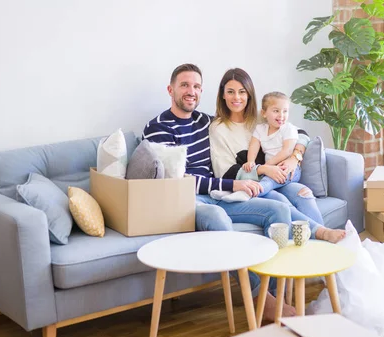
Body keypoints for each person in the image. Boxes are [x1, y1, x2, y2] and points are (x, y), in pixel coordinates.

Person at [143, 63, 296, 321]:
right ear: (170, 90)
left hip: (216, 193)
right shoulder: (158, 127)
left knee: (278, 208)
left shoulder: (206, 122)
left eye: (196, 86)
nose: (191, 91)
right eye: (184, 85)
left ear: (201, 92)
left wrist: (297, 153)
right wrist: (233, 184)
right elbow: (178, 180)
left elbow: (284, 127)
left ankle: (273, 294)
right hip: (187, 200)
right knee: (216, 217)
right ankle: (258, 295)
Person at [209, 67, 347, 243]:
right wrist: (264, 169)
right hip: (254, 183)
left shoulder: (262, 119)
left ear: (249, 94)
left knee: (304, 193)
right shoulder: (218, 128)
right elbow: (224, 172)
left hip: (280, 177)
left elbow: (301, 134)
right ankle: (321, 234)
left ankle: (319, 253)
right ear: (223, 95)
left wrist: (294, 157)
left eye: (242, 92)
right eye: (230, 92)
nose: (237, 97)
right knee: (280, 201)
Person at [210, 91, 302, 203]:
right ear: (264, 113)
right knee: (259, 179)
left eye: (285, 111)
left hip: (289, 169)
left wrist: (268, 165)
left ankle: (247, 194)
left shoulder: (288, 129)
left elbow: (287, 151)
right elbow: (254, 145)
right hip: (271, 169)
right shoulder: (260, 129)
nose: (281, 115)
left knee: (267, 182)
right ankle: (231, 190)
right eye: (276, 111)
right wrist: (251, 161)